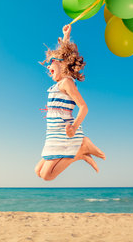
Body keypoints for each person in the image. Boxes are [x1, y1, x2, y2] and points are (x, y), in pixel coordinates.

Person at [35, 24, 105, 181]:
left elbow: (83, 107)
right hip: (53, 133)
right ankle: (80, 150)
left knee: (47, 175)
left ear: (63, 63)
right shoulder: (57, 85)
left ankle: (80, 151)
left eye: (51, 61)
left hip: (65, 132)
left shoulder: (67, 82)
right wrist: (65, 36)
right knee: (38, 171)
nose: (48, 65)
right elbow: (63, 53)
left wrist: (73, 127)